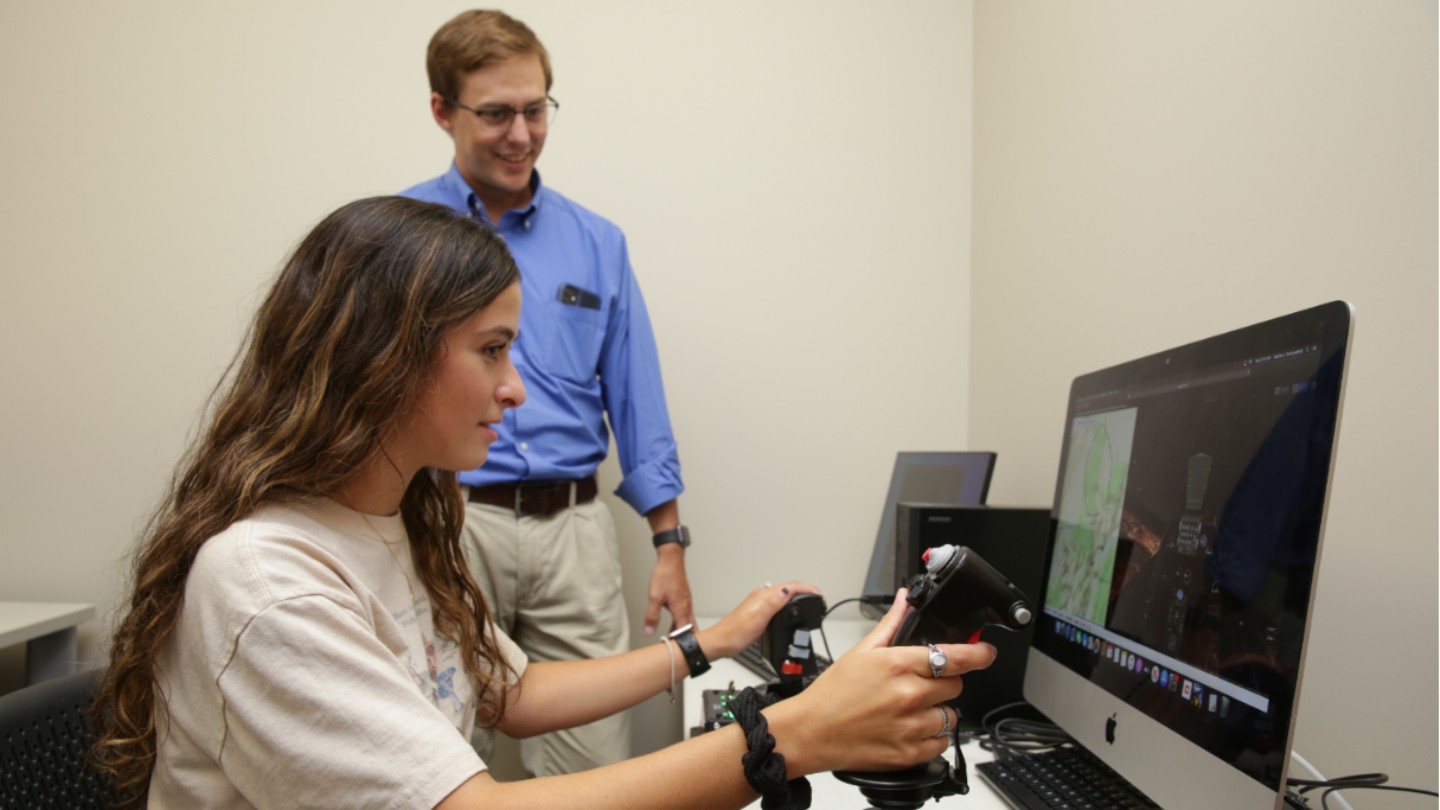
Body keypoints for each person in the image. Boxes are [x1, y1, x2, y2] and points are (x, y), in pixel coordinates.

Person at [90, 196, 996, 809]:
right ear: (383, 355)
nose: (517, 390)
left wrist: (706, 645)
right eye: (491, 350)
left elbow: (509, 691)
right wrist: (787, 736)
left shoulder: (389, 522)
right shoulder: (271, 582)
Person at [399, 9, 692, 776]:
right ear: (443, 111)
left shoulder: (597, 241)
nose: (520, 134)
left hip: (573, 531)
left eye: (535, 110)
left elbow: (637, 394)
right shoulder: (400, 235)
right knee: (442, 759)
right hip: (446, 522)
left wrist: (669, 543)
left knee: (593, 767)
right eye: (496, 113)